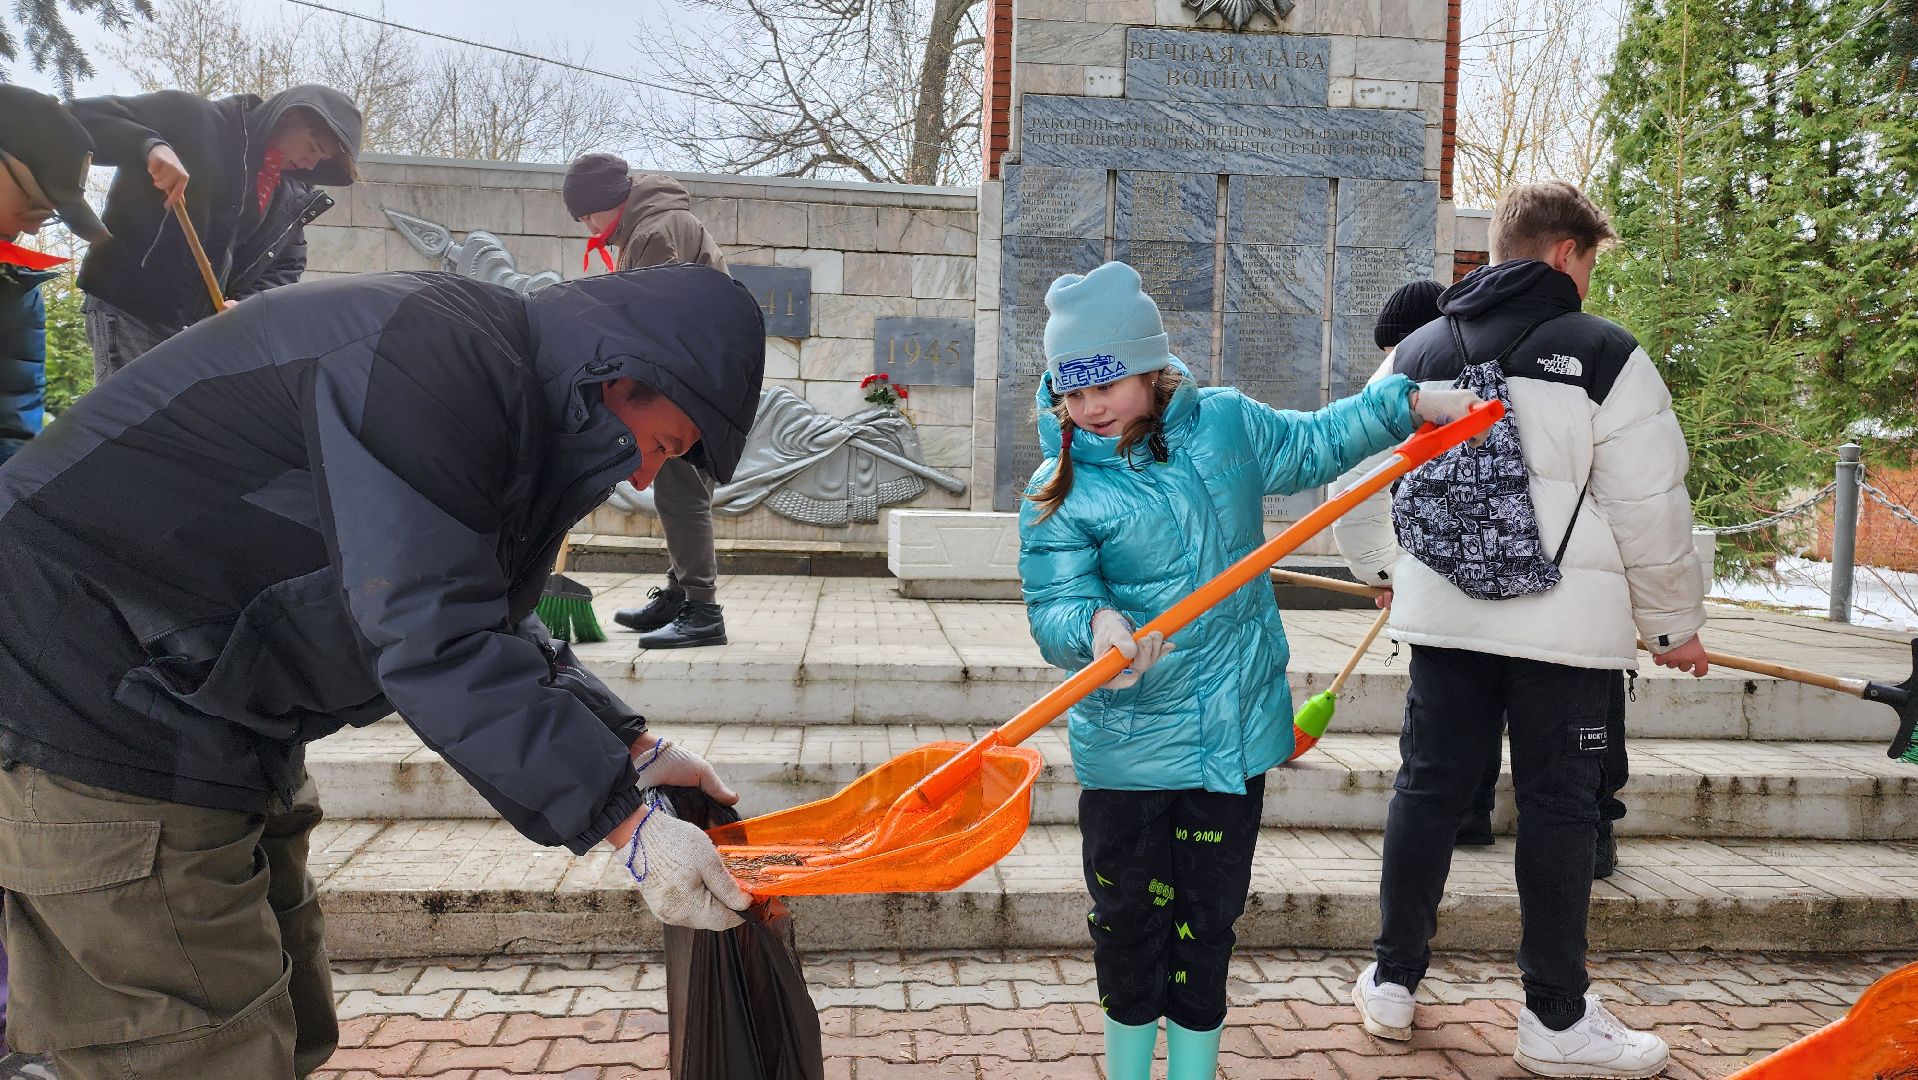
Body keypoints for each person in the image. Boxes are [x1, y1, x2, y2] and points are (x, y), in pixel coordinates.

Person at [0, 263, 765, 1078]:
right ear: (618, 379)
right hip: (90, 694)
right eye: (660, 445)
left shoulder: (502, 389)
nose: (643, 475)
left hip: (214, 706)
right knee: (195, 1048)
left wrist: (633, 746)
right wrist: (629, 826)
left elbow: (481, 614)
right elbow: (431, 635)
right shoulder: (434, 359)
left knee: (288, 1025)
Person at [1016, 261, 1479, 1080]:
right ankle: (1129, 1070)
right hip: (1128, 746)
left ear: (1152, 369)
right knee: (1128, 923)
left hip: (1230, 743)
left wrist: (1404, 407)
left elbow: (1316, 441)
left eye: (1105, 386)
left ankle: (1192, 1070)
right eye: (1070, 393)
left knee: (1207, 924)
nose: (1088, 409)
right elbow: (1055, 601)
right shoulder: (1060, 487)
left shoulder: (1226, 425)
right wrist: (1096, 629)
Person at [1335, 181, 1709, 1079]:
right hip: (1564, 635)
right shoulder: (1607, 354)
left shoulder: (1417, 350)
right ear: (1563, 255)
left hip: (1444, 622)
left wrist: (1390, 574)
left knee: (1426, 790)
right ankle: (1554, 1017)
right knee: (1559, 809)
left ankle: (1392, 982)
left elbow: (1359, 473)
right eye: (1588, 260)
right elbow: (1650, 510)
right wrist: (1672, 627)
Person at [0, 84, 112, 1080]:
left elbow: (14, 427)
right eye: (36, 196)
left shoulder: (17, 283)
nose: (43, 221)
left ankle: (16, 1029)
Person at [68, 84, 361, 379]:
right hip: (131, 305)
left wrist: (248, 307)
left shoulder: (290, 195)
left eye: (321, 160)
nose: (311, 163)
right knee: (130, 420)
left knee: (173, 425)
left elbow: (284, 267)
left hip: (198, 333)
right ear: (290, 115)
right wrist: (150, 146)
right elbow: (71, 121)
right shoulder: (192, 117)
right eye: (313, 146)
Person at [563, 152, 731, 649]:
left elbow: (656, 322)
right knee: (675, 489)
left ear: (608, 202)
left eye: (588, 215)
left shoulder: (655, 230)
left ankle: (703, 610)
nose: (589, 228)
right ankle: (680, 595)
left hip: (686, 383)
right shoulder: (654, 224)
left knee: (681, 489)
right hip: (690, 376)